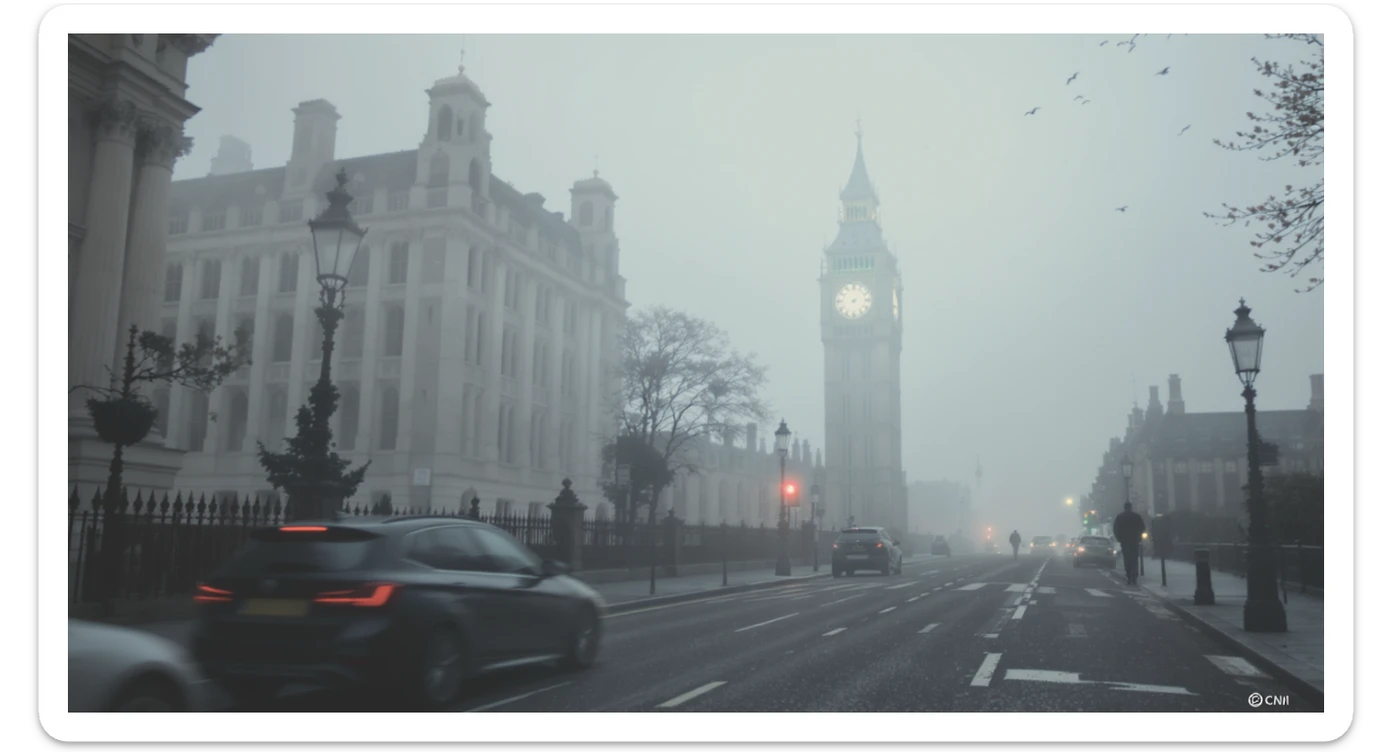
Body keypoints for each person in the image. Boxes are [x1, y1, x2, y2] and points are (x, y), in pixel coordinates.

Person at [1113, 502, 1146, 585]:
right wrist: (1139, 537)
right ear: (1131, 507)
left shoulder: (1120, 517)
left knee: (1127, 559)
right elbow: (1142, 527)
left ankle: (1129, 575)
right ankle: (1134, 575)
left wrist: (1119, 539)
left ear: (1124, 507)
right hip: (1134, 540)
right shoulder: (1136, 516)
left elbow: (1115, 529)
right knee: (1134, 558)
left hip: (1125, 541)